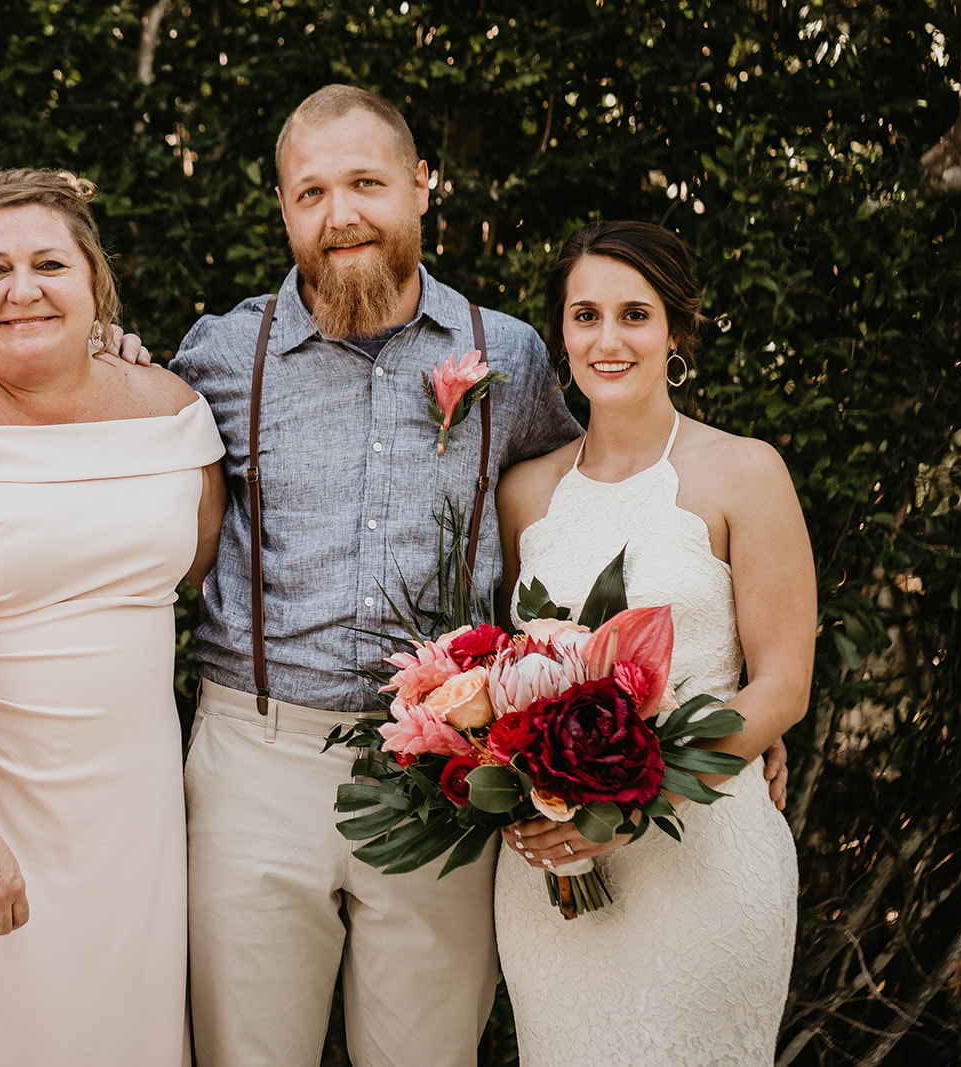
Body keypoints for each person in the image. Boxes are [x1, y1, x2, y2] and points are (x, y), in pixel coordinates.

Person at [166, 84, 582, 1067]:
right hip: (255, 756)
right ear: (280, 207)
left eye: (365, 182)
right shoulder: (220, 354)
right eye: (310, 192)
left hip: (445, 767)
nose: (340, 213)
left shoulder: (508, 353)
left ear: (421, 185)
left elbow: (579, 523)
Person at [0, 168, 225, 1065]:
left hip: (131, 809)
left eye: (50, 263)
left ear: (94, 284)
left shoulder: (172, 413)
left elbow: (197, 564)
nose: (23, 289)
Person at [493, 220, 813, 1064]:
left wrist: (632, 805)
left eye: (635, 314)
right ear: (560, 332)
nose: (608, 338)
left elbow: (783, 685)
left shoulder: (746, 471)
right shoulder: (524, 494)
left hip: (701, 855)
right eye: (585, 314)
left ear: (676, 330)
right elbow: (495, 670)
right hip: (552, 874)